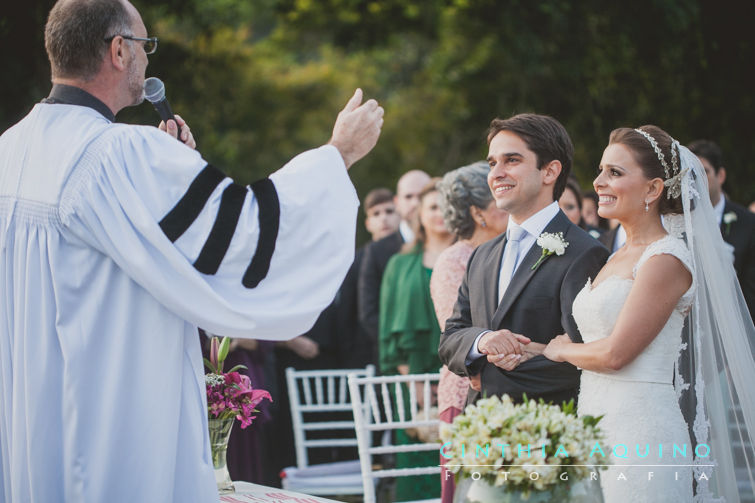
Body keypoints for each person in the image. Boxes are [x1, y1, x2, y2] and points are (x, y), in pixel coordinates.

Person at [0, 0, 384, 501]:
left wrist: (175, 175)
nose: (147, 59)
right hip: (108, 419)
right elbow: (247, 234)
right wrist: (338, 155)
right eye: (144, 45)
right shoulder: (121, 151)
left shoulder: (9, 148)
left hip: (28, 418)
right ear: (119, 51)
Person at [543, 126, 755, 502]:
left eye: (615, 173)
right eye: (601, 170)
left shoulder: (666, 258)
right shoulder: (615, 256)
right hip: (595, 423)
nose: (599, 182)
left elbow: (615, 354)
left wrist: (559, 350)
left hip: (641, 433)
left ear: (654, 189)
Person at [438, 113, 608, 406]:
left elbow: (585, 358)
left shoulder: (584, 253)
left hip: (549, 432)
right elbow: (450, 339)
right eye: (493, 163)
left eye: (511, 160)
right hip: (481, 431)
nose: (496, 173)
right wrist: (482, 342)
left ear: (550, 171)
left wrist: (488, 376)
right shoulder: (482, 255)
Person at [430, 162, 508, 503]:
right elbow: (456, 333)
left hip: (506, 385)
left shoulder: (505, 250)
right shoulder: (453, 261)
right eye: (496, 199)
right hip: (466, 392)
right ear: (479, 212)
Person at [379, 179, 453, 502]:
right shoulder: (399, 264)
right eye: (433, 207)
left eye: (446, 206)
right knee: (416, 476)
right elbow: (387, 332)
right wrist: (416, 384)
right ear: (419, 215)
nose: (440, 214)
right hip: (411, 382)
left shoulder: (475, 257)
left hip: (464, 378)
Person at [358, 170, 431, 365]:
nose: (415, 203)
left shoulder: (451, 244)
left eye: (421, 196)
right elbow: (369, 312)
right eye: (409, 196)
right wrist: (400, 358)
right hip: (398, 362)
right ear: (397, 202)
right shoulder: (377, 251)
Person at [688, 139, 755, 320]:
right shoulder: (679, 221)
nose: (697, 180)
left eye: (704, 172)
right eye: (691, 174)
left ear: (721, 175)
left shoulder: (748, 223)